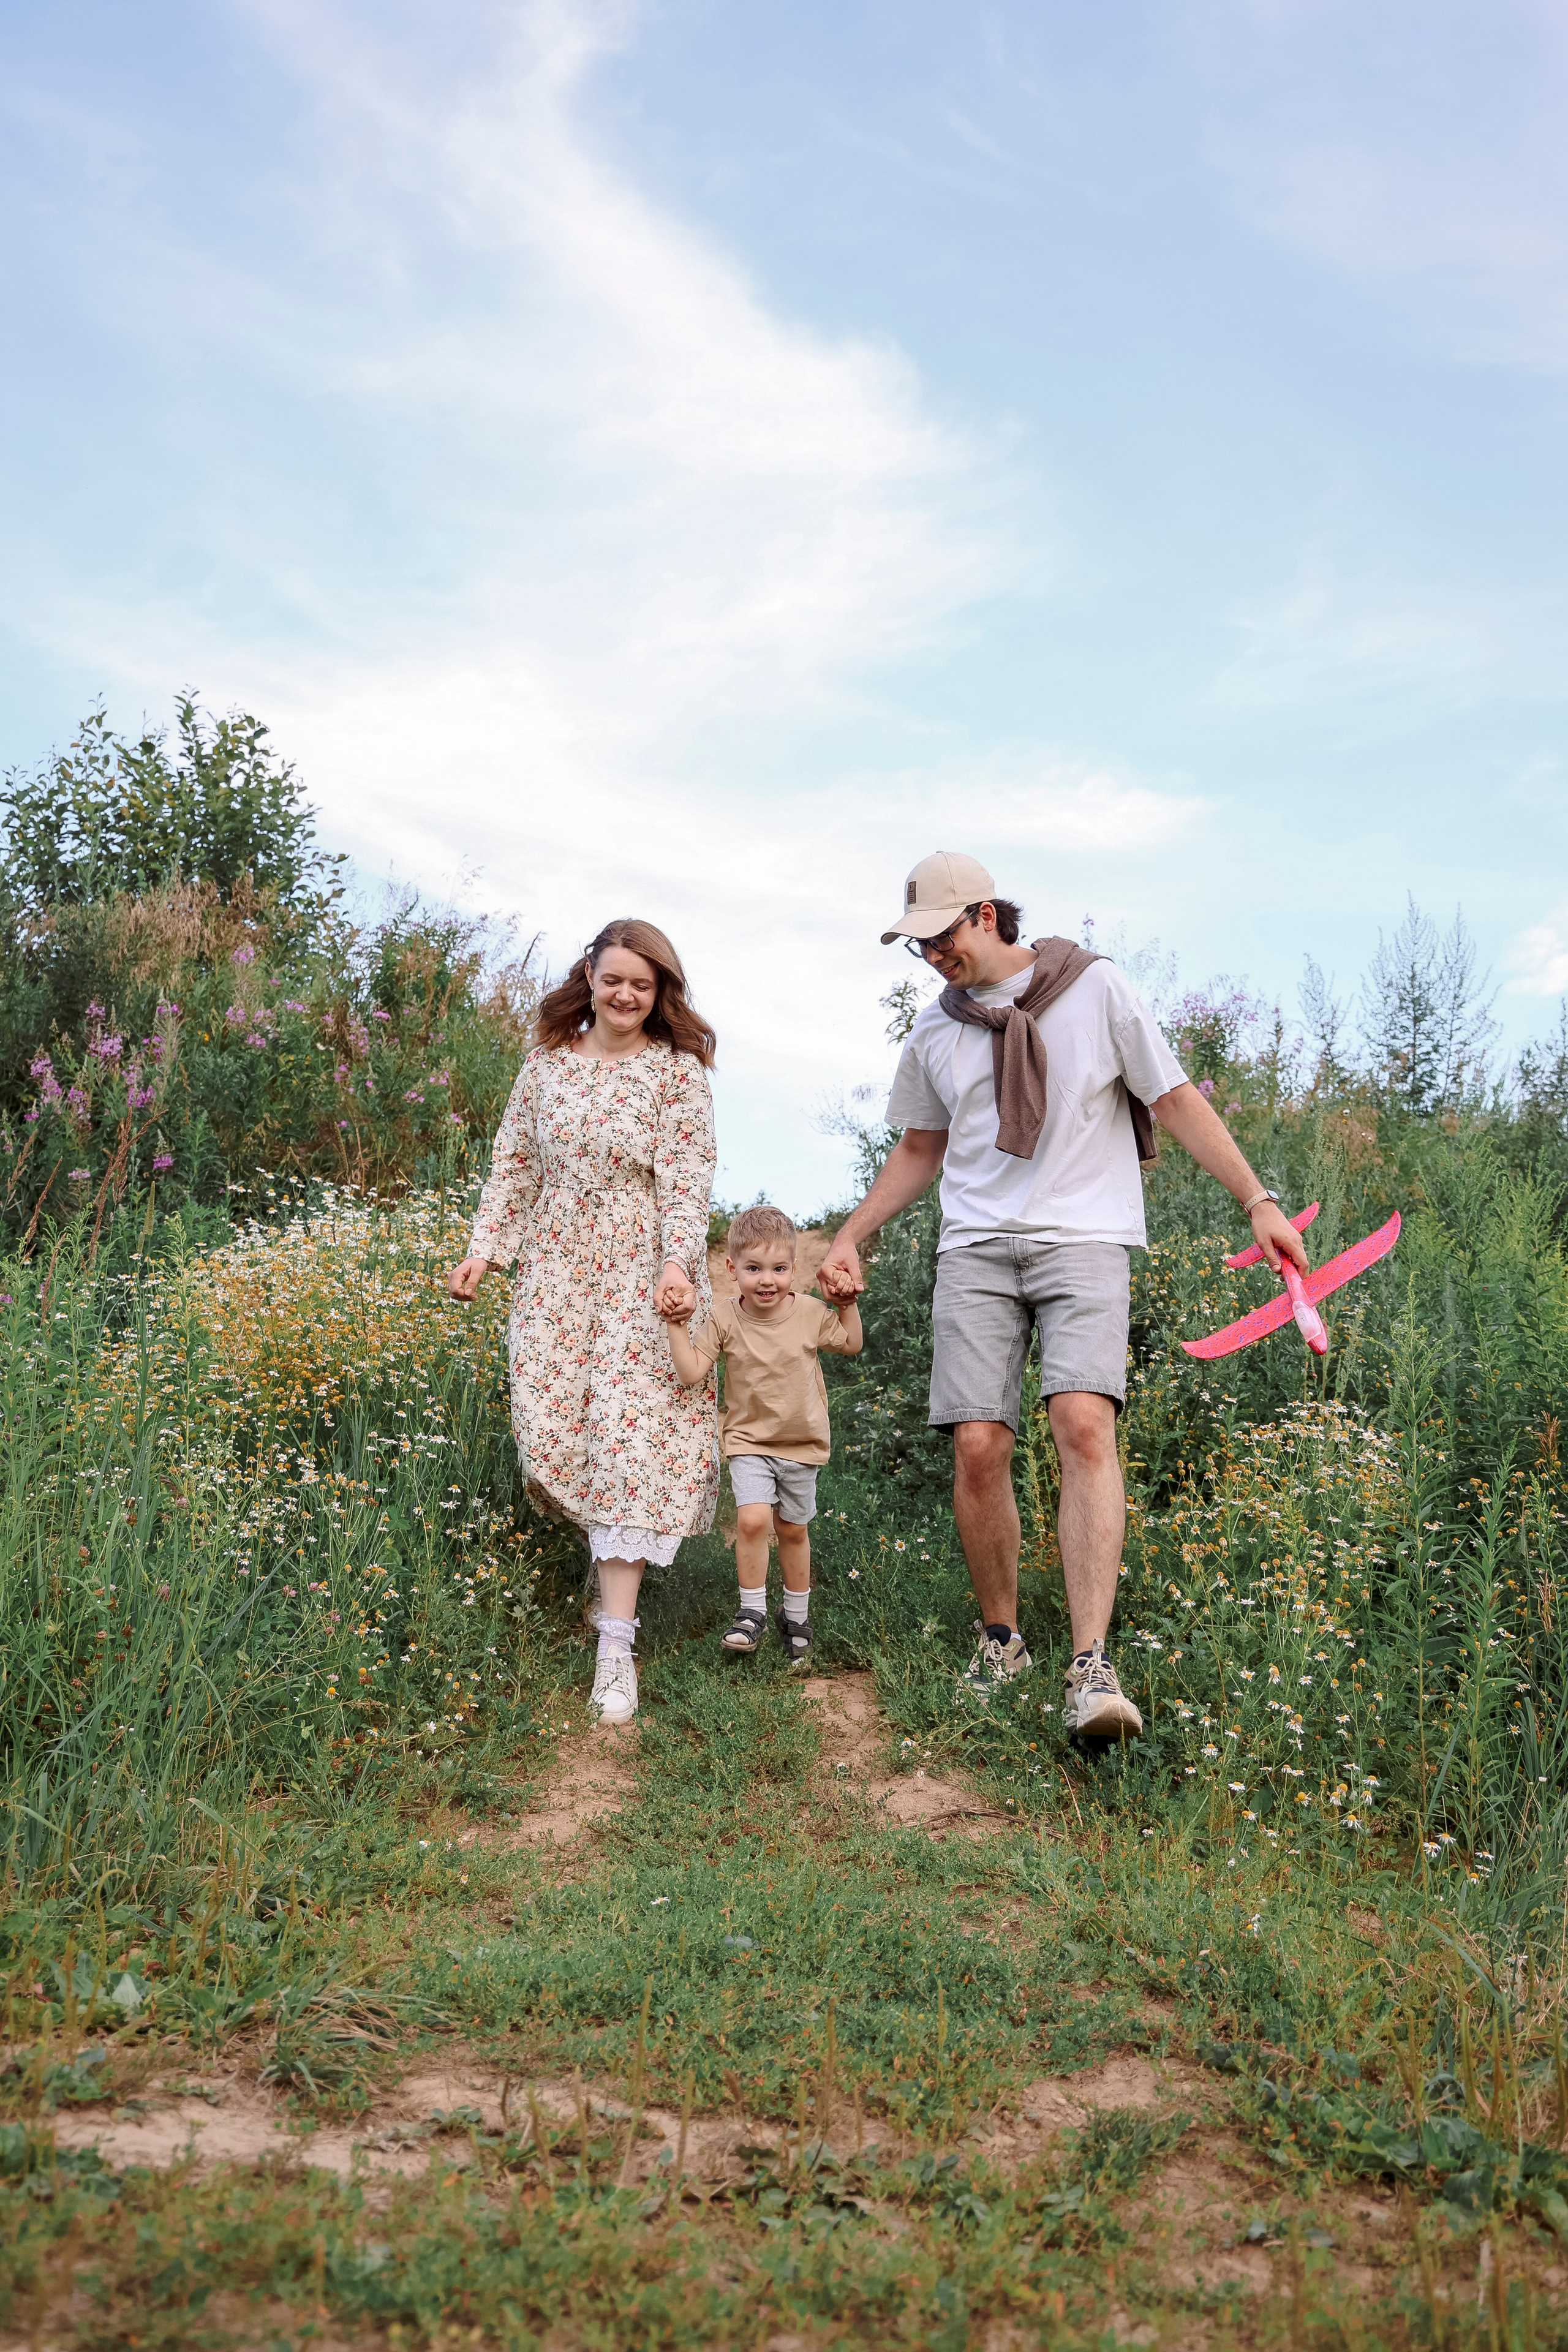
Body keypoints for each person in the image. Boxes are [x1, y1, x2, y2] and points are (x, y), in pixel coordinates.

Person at [816, 851, 1310, 1738]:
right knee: (977, 1444)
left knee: (1084, 1423)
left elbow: (1176, 1096)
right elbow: (921, 1151)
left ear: (984, 914)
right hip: (975, 1246)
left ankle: (1091, 1664)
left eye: (940, 939)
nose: (933, 959)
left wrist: (1257, 1199)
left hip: (1085, 1238)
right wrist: (852, 1235)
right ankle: (1002, 1638)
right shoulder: (937, 1031)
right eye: (916, 947)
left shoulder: (1096, 989)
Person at [447, 918, 718, 1725]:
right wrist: (485, 1251)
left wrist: (678, 1264)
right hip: (556, 1276)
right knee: (555, 1435)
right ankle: (607, 1567)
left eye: (645, 983)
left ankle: (616, 1642)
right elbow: (513, 1163)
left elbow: (688, 1173)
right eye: (615, 980)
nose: (628, 994)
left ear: (660, 992)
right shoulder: (546, 1068)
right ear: (590, 979)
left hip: (645, 1273)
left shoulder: (677, 1074)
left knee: (629, 1439)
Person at [665, 1205, 861, 1667]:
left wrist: (847, 1305)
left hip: (802, 1444)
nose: (767, 1280)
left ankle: (796, 1620)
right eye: (754, 1269)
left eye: (779, 1268)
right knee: (752, 1521)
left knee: (793, 1530)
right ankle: (750, 1614)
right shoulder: (725, 1318)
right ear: (733, 1270)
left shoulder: (811, 1312)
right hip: (750, 1442)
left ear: (794, 1268)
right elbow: (692, 1371)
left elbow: (851, 1344)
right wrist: (675, 1326)